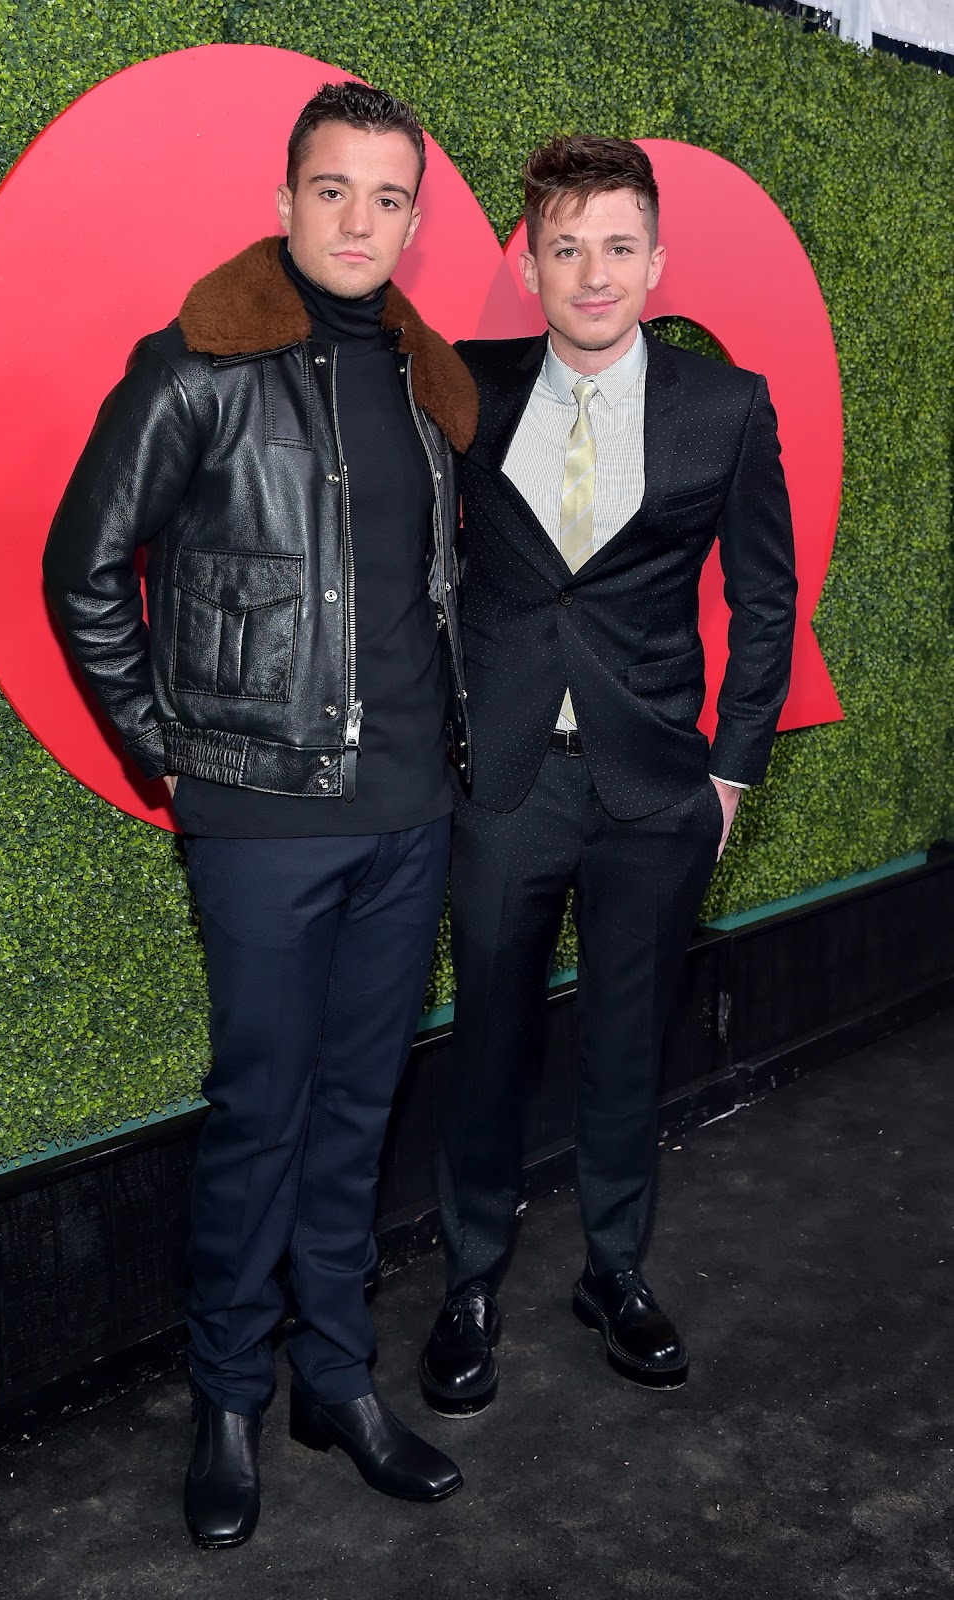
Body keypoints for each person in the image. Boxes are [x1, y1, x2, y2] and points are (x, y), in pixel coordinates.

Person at [44, 81, 478, 1548]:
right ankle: (227, 1397)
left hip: (410, 816)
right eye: (332, 189)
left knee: (358, 1113)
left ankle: (334, 1381)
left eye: (387, 197)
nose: (359, 219)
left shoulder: (426, 382)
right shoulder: (197, 368)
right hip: (261, 822)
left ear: (412, 220)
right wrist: (168, 754)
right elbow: (83, 566)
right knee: (261, 1114)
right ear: (285, 199)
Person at [418, 135, 796, 1415]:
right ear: (528, 265)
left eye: (617, 247)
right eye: (566, 248)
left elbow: (765, 598)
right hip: (504, 783)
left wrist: (728, 776)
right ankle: (470, 1282)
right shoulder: (465, 386)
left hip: (652, 789)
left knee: (629, 1043)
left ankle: (615, 1270)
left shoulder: (724, 405)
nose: (593, 273)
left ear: (656, 260)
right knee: (489, 1040)